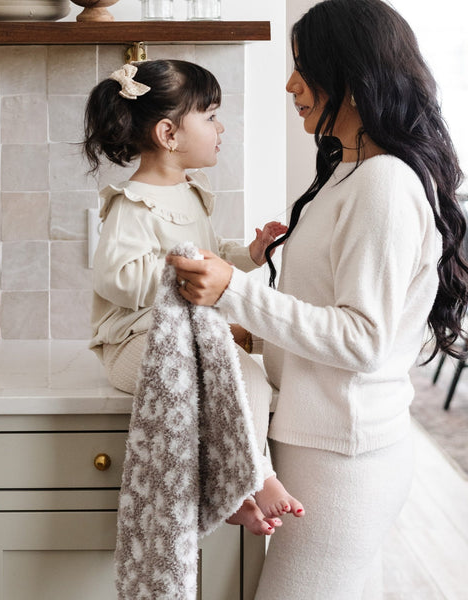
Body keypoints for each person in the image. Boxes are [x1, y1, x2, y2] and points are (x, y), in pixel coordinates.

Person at [167, 1, 468, 598]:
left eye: (303, 66)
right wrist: (256, 333)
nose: (289, 84)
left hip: (345, 459)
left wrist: (236, 292)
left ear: (352, 79)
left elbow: (363, 340)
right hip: (325, 445)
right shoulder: (349, 174)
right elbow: (326, 309)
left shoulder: (383, 184)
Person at [83, 59, 304, 536]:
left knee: (250, 378)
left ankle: (232, 487)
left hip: (184, 335)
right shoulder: (132, 202)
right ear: (169, 134)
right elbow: (114, 277)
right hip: (131, 342)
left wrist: (247, 253)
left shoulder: (191, 192)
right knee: (210, 377)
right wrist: (181, 268)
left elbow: (209, 254)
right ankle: (256, 477)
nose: (221, 128)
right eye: (210, 116)